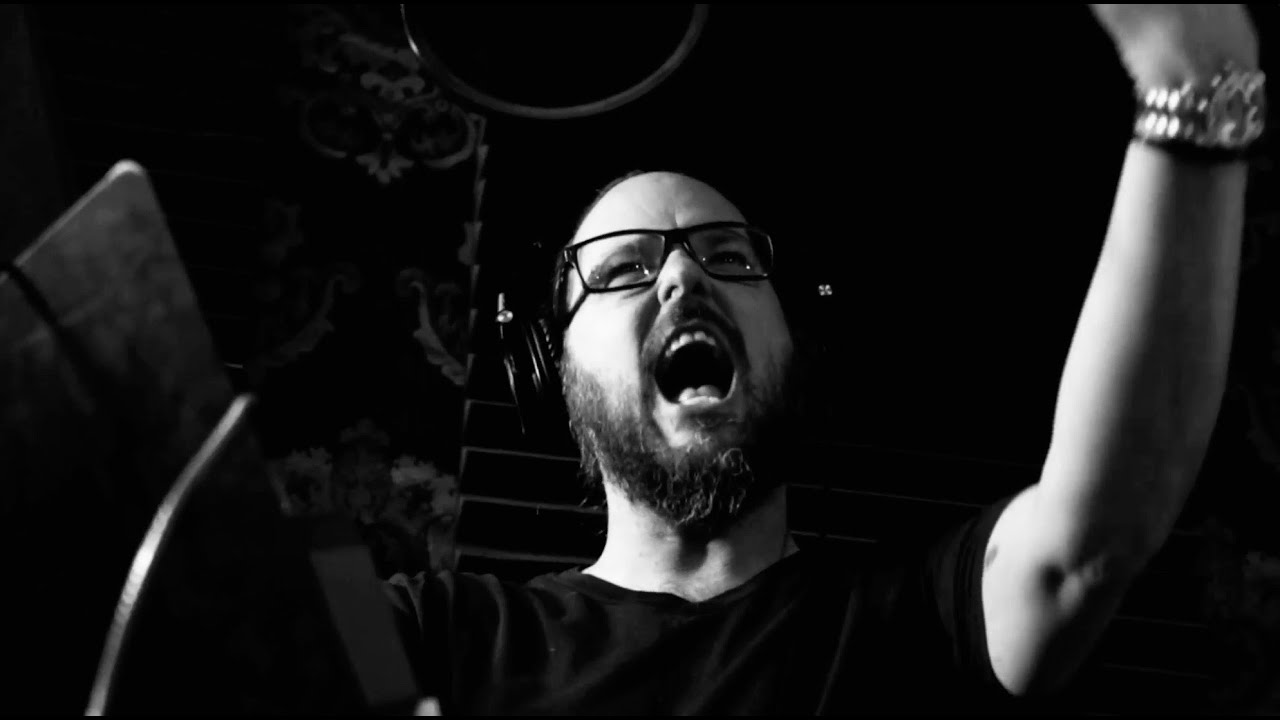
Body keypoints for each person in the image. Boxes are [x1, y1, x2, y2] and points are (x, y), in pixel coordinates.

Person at [386, 4, 1265, 714]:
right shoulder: (436, 635)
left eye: (730, 257)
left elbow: (1093, 533)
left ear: (791, 343)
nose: (685, 276)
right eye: (623, 270)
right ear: (551, 373)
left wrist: (1195, 86)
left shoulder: (923, 620)